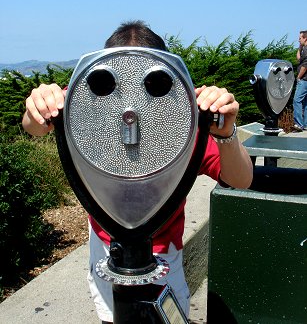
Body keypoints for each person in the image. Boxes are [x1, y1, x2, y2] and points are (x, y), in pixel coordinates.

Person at [22, 21, 253, 323]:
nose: (131, 108)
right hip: (105, 245)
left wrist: (226, 130)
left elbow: (241, 179)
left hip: (164, 252)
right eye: (115, 80)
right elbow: (34, 127)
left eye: (154, 86)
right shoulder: (88, 99)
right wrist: (38, 105)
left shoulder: (184, 110)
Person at [293, 30, 307, 132]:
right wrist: (300, 46)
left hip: (304, 79)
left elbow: (305, 66)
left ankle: (299, 124)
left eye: (300, 38)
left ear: (305, 38)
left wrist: (299, 77)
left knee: (297, 100)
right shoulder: (304, 49)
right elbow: (299, 59)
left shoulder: (306, 50)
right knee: (305, 103)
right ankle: (305, 125)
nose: (299, 39)